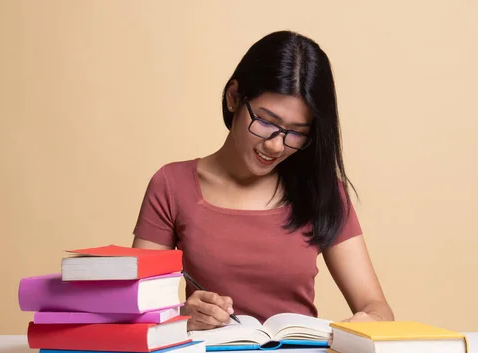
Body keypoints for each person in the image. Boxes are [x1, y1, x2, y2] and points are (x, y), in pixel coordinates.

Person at [132, 30, 394, 331]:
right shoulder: (171, 185)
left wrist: (368, 321)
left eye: (296, 132)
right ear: (234, 98)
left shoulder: (321, 191)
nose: (276, 146)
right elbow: (138, 311)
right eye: (267, 122)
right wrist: (182, 316)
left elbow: (377, 308)